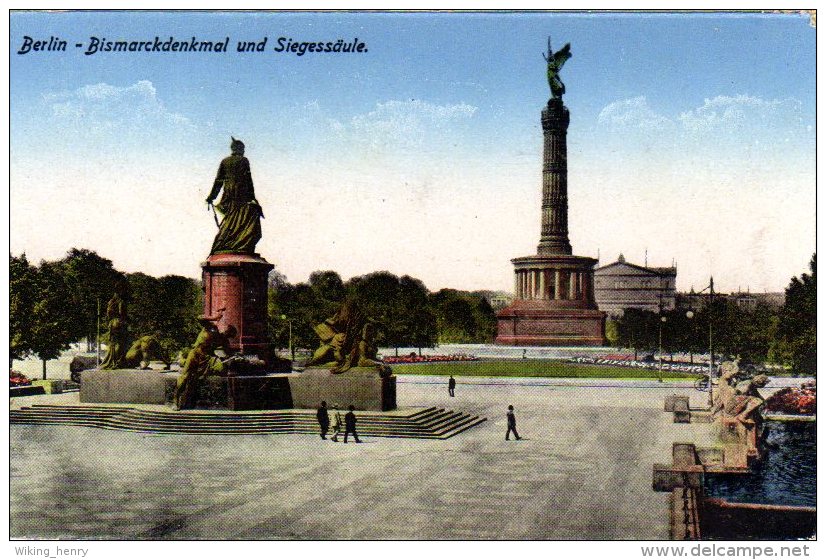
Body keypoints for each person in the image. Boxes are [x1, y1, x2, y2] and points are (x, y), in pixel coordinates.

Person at [206, 137, 264, 255]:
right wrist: (253, 197)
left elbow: (218, 181)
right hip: (242, 195)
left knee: (232, 219)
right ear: (239, 149)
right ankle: (239, 243)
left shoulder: (224, 161)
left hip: (229, 196)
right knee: (250, 216)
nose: (244, 151)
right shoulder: (244, 160)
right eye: (243, 148)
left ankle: (227, 242)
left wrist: (211, 197)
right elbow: (248, 180)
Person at [172, 313, 236, 410]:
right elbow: (199, 318)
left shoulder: (223, 340)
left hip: (208, 357)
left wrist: (233, 357)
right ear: (225, 329)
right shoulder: (211, 327)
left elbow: (228, 353)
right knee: (185, 377)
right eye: (227, 332)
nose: (227, 335)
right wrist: (214, 318)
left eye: (229, 335)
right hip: (195, 354)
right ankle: (175, 400)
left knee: (221, 368)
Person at [100, 288, 129, 369]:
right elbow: (121, 312)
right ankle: (117, 362)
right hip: (119, 322)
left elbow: (108, 313)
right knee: (121, 344)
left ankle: (111, 360)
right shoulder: (120, 302)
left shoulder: (111, 302)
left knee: (113, 344)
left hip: (112, 323)